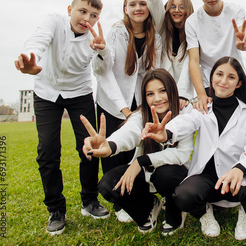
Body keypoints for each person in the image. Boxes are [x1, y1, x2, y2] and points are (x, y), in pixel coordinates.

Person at [142, 57, 246, 241]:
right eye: (219, 74)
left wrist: (240, 169)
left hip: (236, 178)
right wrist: (166, 133)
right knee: (184, 196)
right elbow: (186, 122)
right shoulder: (202, 108)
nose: (223, 81)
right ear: (211, 79)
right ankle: (204, 212)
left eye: (231, 77)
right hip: (207, 178)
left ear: (239, 83)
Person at [14, 0, 110, 235]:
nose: (86, 18)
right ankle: (56, 209)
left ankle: (89, 201)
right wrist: (29, 59)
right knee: (47, 151)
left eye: (94, 15)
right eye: (82, 11)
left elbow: (103, 68)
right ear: (70, 9)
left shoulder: (94, 40)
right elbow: (38, 40)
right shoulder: (54, 21)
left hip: (79, 94)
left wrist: (101, 52)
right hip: (47, 92)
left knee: (89, 147)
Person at [82, 69, 193, 235]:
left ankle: (175, 213)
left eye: (162, 90)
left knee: (166, 174)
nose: (157, 98)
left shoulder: (186, 112)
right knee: (108, 184)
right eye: (150, 94)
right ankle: (148, 209)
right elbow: (130, 131)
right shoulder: (141, 114)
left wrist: (141, 161)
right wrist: (110, 145)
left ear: (172, 90)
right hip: (148, 173)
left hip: (175, 173)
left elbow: (182, 154)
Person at [93, 0, 162, 222]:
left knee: (137, 151)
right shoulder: (116, 33)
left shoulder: (156, 36)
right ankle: (120, 202)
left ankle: (142, 196)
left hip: (141, 105)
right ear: (125, 9)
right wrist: (123, 109)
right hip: (113, 103)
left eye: (142, 3)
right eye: (132, 4)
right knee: (113, 154)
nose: (138, 8)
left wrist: (148, 105)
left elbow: (155, 73)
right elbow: (104, 72)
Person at [186, 0, 246, 114]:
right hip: (211, 82)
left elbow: (244, 40)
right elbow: (194, 61)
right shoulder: (192, 22)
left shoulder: (236, 10)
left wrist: (245, 43)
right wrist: (201, 94)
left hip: (238, 78)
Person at [144, 0, 195, 109]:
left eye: (181, 7)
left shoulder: (192, 35)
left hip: (183, 97)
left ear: (188, 10)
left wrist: (183, 94)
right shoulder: (162, 29)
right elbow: (156, 8)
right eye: (172, 6)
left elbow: (189, 66)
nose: (176, 10)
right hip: (161, 91)